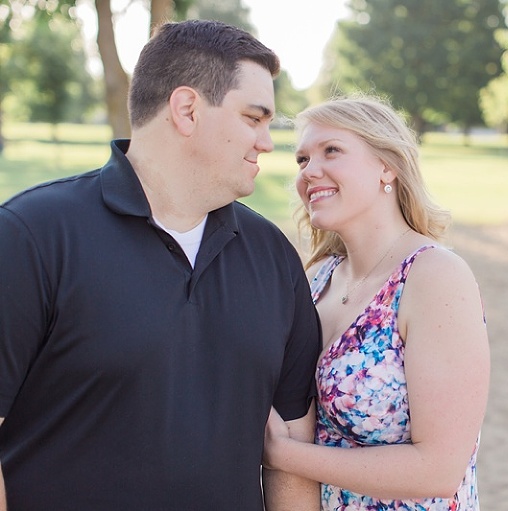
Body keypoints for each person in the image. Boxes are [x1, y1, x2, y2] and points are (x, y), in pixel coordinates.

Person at [0, 19, 321, 510]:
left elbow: (292, 454)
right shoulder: (32, 236)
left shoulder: (273, 256)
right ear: (187, 109)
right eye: (253, 118)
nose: (266, 142)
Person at [263, 95, 491, 510]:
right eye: (302, 159)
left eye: (331, 150)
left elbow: (439, 470)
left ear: (387, 166)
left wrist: (283, 455)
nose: (309, 171)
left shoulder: (434, 277)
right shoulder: (319, 279)